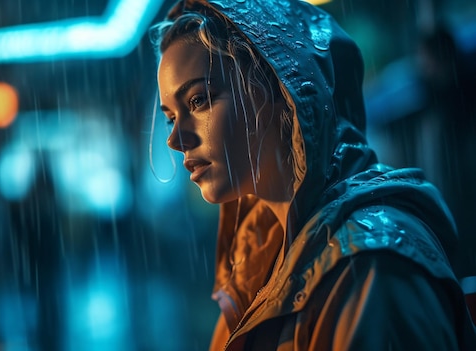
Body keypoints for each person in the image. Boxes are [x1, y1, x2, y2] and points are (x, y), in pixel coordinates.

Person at [149, 0, 476, 350]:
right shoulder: (260, 257)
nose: (175, 139)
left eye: (199, 100)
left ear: (279, 86)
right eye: (170, 116)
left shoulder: (370, 271)